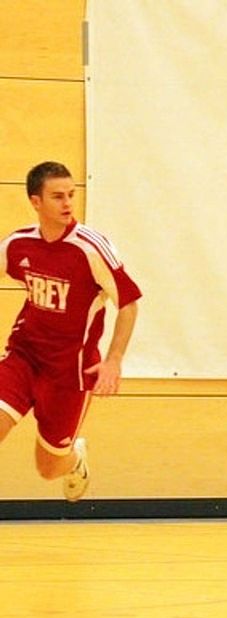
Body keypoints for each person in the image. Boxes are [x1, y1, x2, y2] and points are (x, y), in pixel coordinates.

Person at [0, 161, 141, 501]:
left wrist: (114, 361)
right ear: (36, 202)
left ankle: (76, 459)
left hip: (69, 372)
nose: (67, 203)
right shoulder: (18, 244)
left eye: (71, 195)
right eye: (57, 196)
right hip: (24, 356)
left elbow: (129, 303)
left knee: (48, 468)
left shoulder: (91, 248)